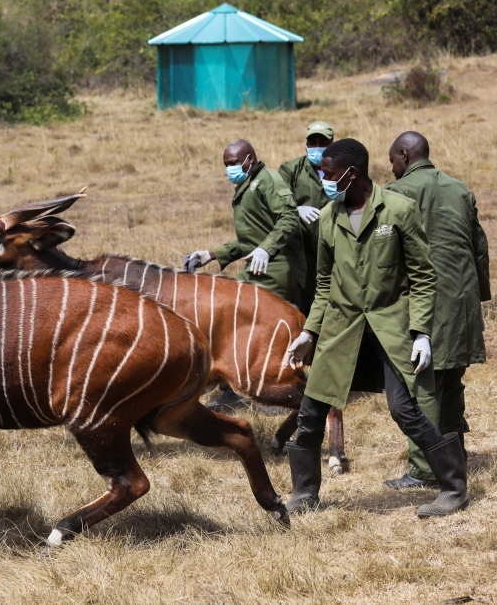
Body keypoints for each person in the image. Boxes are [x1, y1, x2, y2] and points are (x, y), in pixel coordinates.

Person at [285, 138, 469, 518]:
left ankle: (453, 487)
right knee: (311, 410)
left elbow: (423, 276)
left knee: (405, 410)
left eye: (329, 173)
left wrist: (421, 332)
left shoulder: (398, 209)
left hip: (390, 327)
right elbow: (323, 283)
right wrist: (309, 334)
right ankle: (305, 494)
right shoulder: (328, 217)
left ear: (352, 173)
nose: (324, 179)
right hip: (341, 328)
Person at [382, 131, 490, 489]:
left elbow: (388, 256)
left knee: (423, 384)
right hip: (464, 299)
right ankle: (454, 451)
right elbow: (479, 246)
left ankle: (426, 469)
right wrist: (479, 295)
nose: (391, 167)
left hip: (426, 303)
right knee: (452, 381)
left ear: (404, 155)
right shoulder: (460, 188)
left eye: (392, 160)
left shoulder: (398, 192)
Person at [184, 139, 306, 409]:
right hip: (258, 266)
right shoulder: (245, 186)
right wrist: (211, 254)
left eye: (234, 163)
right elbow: (249, 239)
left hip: (278, 267)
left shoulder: (268, 181)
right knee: (224, 318)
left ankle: (278, 390)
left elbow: (288, 218)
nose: (230, 169)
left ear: (250, 159)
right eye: (226, 164)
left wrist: (267, 248)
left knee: (262, 330)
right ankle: (233, 387)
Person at [280, 121, 334, 314]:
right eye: (313, 143)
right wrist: (296, 209)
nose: (317, 147)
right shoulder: (291, 169)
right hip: (301, 249)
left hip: (334, 247)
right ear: (306, 144)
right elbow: (276, 201)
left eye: (323, 143)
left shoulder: (342, 170)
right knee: (302, 302)